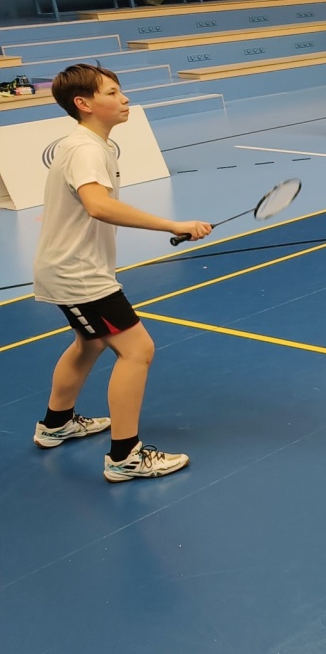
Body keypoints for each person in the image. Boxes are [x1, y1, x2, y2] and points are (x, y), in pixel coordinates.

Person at [31, 65, 212, 481]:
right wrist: (172, 224)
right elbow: (98, 205)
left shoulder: (94, 145)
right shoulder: (86, 149)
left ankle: (56, 425)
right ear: (84, 103)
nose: (124, 98)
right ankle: (125, 456)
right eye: (112, 92)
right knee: (137, 350)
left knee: (91, 343)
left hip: (72, 268)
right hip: (79, 276)